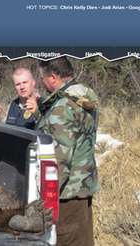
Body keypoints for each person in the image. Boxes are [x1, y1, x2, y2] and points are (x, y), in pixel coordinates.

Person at [36, 57, 99, 246]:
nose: (42, 82)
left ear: (53, 78)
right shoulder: (82, 99)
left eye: (43, 78)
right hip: (82, 189)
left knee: (67, 239)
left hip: (66, 196)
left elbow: (59, 161)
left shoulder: (62, 108)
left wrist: (43, 200)